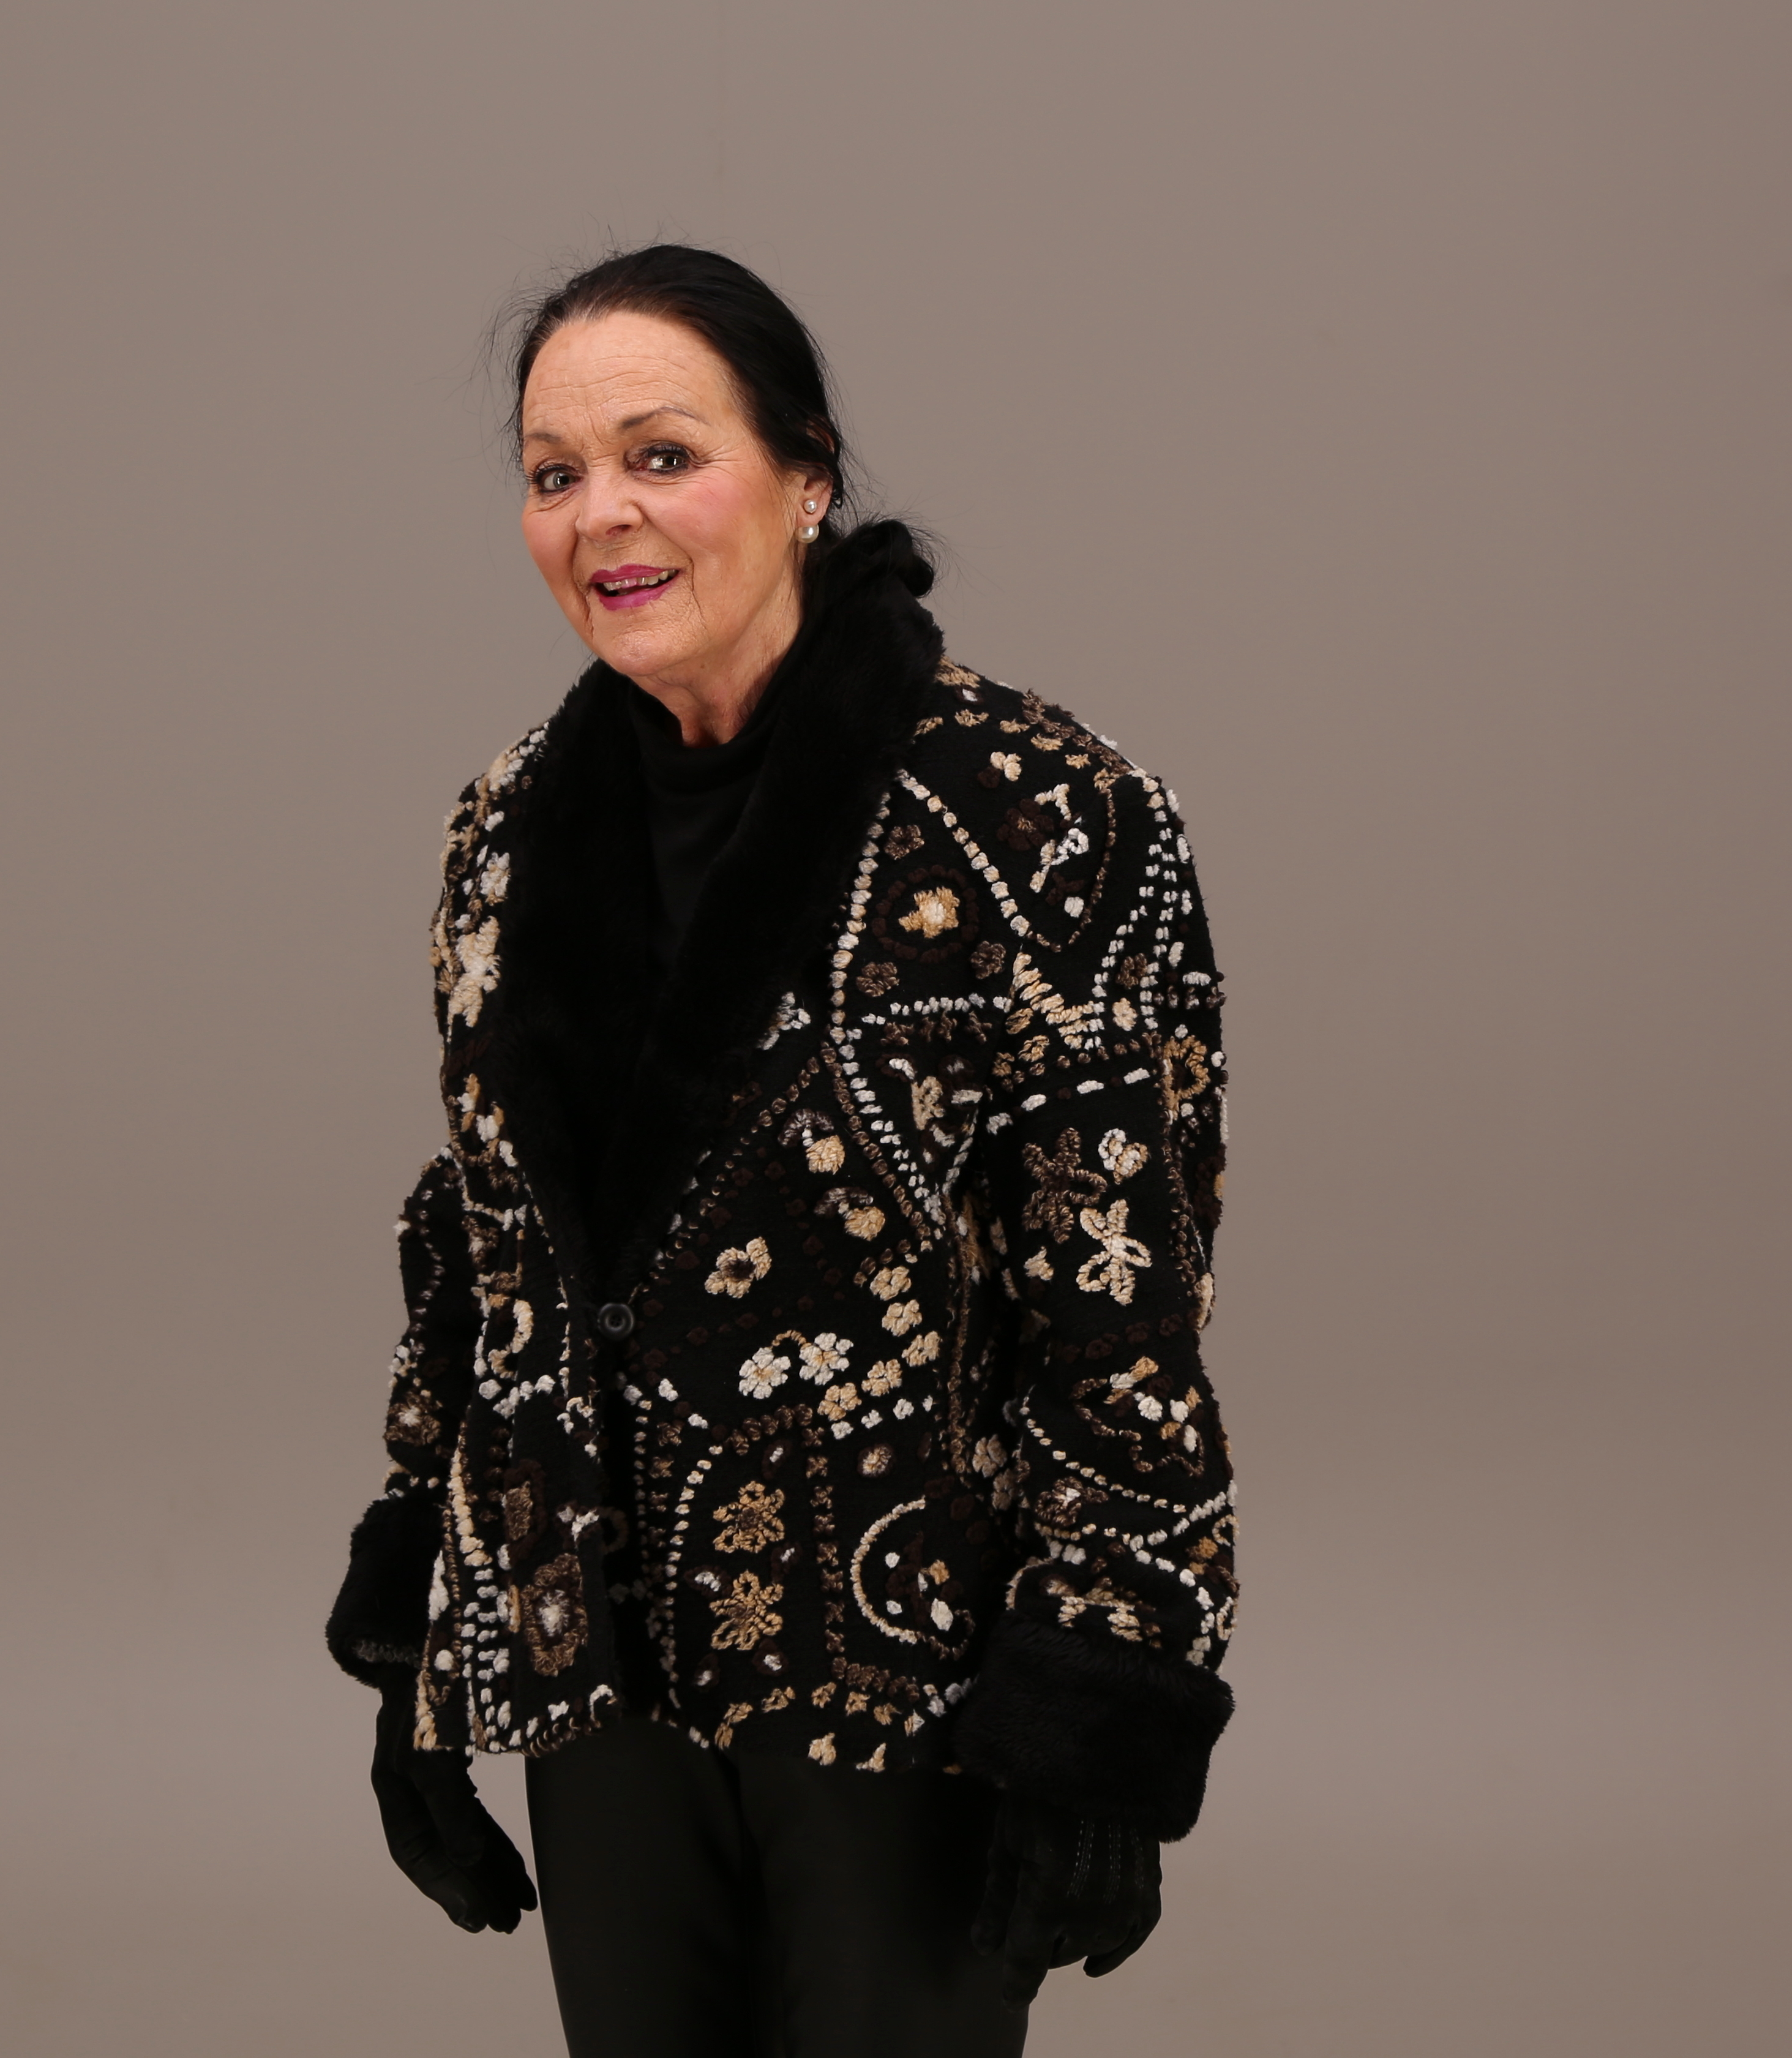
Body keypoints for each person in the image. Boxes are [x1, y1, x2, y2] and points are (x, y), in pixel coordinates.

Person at [326, 244, 1237, 2058]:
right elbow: (488, 1255)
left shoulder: (1038, 816)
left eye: (662, 454)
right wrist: (427, 1638)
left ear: (808, 472)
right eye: (555, 472)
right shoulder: (505, 834)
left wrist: (1103, 1698)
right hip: (604, 1681)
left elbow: (1121, 1297)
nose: (602, 514)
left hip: (907, 1681)